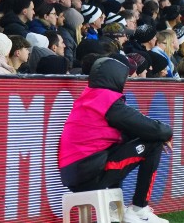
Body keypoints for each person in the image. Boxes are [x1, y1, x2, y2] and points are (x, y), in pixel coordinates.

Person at [58, 57, 173, 223]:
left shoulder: (90, 97)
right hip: (90, 172)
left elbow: (132, 131)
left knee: (118, 146)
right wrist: (166, 134)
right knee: (154, 143)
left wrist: (158, 133)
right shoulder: (107, 100)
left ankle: (115, 213)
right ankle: (139, 208)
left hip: (78, 173)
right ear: (116, 77)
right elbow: (149, 127)